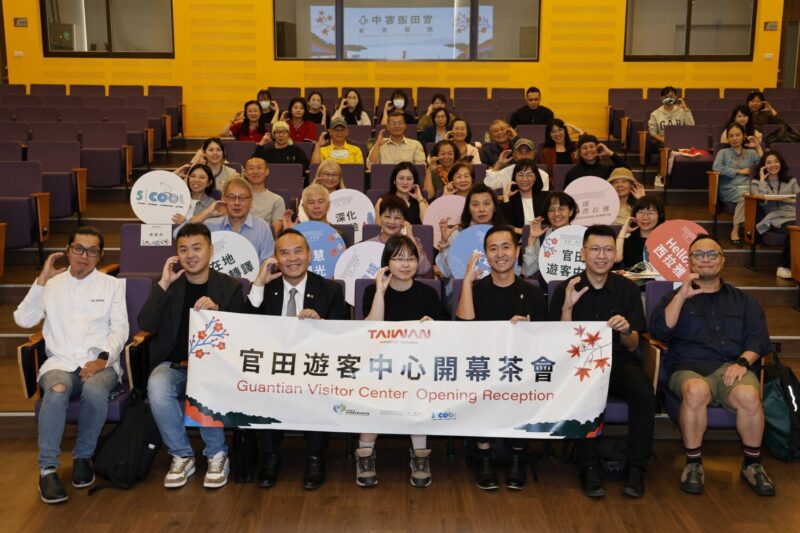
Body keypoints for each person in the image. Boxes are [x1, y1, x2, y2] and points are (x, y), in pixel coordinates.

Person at [649, 234, 775, 496]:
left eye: (712, 254)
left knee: (748, 394)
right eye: (699, 255)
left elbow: (759, 339)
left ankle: (752, 464)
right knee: (696, 390)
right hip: (688, 368)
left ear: (723, 260)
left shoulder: (744, 301)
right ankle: (693, 464)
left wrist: (743, 362)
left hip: (733, 367)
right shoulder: (674, 298)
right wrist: (681, 297)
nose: (705, 259)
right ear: (690, 261)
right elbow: (660, 331)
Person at [14, 227, 128, 504]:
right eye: (78, 249)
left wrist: (102, 358)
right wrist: (41, 281)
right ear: (68, 250)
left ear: (100, 256)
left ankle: (83, 457)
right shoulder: (51, 285)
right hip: (60, 361)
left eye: (92, 251)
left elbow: (120, 329)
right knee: (56, 389)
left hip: (100, 362)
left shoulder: (112, 285)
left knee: (95, 390)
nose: (84, 256)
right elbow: (23, 320)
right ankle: (47, 469)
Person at [549, 224, 654, 499]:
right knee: (585, 389)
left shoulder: (627, 289)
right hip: (579, 365)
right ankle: (588, 468)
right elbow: (559, 344)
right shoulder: (567, 288)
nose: (602, 255)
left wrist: (626, 330)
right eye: (595, 249)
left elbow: (633, 345)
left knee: (643, 391)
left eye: (608, 249)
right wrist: (568, 307)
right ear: (583, 253)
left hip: (618, 360)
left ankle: (636, 467)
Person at [139, 223, 244, 490]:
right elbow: (146, 323)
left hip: (214, 365)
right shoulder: (170, 285)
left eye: (197, 248)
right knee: (157, 384)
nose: (190, 255)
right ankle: (182, 455)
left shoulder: (230, 286)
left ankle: (217, 453)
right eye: (183, 249)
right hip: (173, 364)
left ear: (211, 250)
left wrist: (217, 313)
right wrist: (163, 284)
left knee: (202, 377)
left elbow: (242, 334)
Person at [246, 229, 349, 491]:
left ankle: (315, 457)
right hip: (273, 364)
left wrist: (320, 323)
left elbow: (343, 335)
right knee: (259, 382)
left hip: (314, 363)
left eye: (298, 251)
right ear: (275, 258)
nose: (292, 259)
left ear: (309, 255)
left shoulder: (330, 289)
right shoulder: (266, 288)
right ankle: (270, 456)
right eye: (284, 253)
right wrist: (258, 282)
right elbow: (244, 325)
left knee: (317, 385)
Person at [455, 225, 548, 490]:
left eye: (506, 247)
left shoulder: (532, 292)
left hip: (520, 366)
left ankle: (518, 458)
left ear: (517, 251)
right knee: (477, 379)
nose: (500, 254)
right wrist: (467, 283)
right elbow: (464, 331)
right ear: (486, 254)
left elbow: (544, 342)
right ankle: (484, 457)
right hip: (482, 364)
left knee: (525, 382)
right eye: (493, 249)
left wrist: (527, 331)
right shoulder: (477, 289)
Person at [357, 235, 443, 488]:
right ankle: (365, 455)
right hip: (379, 364)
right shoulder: (372, 290)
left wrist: (433, 326)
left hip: (417, 366)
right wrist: (380, 292)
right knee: (372, 391)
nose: (405, 264)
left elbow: (443, 337)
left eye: (411, 258)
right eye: (398, 258)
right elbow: (371, 331)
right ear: (387, 263)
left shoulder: (428, 293)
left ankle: (420, 456)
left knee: (418, 390)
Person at [435, 184, 506, 306]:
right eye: (475, 204)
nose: (481, 209)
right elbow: (446, 272)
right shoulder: (456, 233)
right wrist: (445, 244)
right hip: (461, 292)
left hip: (497, 290)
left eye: (486, 203)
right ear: (468, 208)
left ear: (494, 207)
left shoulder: (505, 235)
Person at [188, 177, 275, 263]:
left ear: (251, 201)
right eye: (232, 197)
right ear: (223, 199)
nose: (237, 203)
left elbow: (268, 263)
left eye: (242, 198)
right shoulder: (209, 226)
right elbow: (181, 234)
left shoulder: (262, 227)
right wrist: (207, 213)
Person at [712, 123, 763, 246]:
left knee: (754, 195)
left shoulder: (751, 153)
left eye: (737, 135)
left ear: (743, 136)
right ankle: (735, 230)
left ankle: (758, 231)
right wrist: (739, 171)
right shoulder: (723, 152)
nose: (734, 138)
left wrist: (757, 147)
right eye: (731, 136)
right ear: (727, 138)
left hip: (748, 187)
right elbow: (716, 167)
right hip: (729, 188)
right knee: (746, 196)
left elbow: (764, 166)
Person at [752, 149, 799, 279]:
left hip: (794, 215)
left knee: (796, 228)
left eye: (776, 161)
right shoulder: (756, 183)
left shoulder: (791, 181)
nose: (773, 165)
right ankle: (783, 267)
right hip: (774, 219)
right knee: (793, 231)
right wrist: (762, 180)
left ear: (781, 163)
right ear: (763, 166)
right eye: (769, 162)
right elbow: (759, 197)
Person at [367, 195, 431, 277]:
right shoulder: (369, 245)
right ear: (380, 218)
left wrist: (411, 238)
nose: (392, 222)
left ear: (404, 221)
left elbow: (423, 269)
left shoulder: (412, 242)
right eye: (387, 216)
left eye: (397, 218)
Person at [520, 191, 578, 279]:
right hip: (548, 286)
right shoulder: (542, 237)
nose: (556, 214)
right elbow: (528, 271)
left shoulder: (581, 235)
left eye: (561, 209)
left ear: (571, 211)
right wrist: (532, 239)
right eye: (551, 210)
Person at [648, 86, 694, 187]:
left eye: (672, 96)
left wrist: (686, 109)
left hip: (679, 142)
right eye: (666, 96)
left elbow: (691, 125)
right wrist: (664, 140)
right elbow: (653, 133)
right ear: (661, 98)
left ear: (676, 97)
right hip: (662, 141)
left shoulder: (681, 111)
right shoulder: (655, 114)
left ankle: (681, 178)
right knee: (665, 148)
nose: (669, 98)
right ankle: (661, 176)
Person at [614, 195, 665, 269]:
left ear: (660, 215)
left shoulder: (666, 241)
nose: (645, 217)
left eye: (650, 213)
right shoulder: (628, 240)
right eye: (641, 212)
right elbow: (616, 259)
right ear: (634, 215)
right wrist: (623, 231)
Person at [500, 160, 548, 235]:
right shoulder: (510, 200)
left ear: (535, 177)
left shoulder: (546, 198)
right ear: (514, 178)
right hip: (517, 241)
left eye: (529, 175)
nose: (525, 179)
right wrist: (506, 197)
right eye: (520, 175)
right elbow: (506, 227)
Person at [485, 138, 550, 192]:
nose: (524, 156)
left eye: (527, 153)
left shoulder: (543, 175)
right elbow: (490, 186)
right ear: (514, 155)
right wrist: (498, 164)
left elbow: (543, 198)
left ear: (534, 155)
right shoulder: (507, 172)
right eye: (520, 153)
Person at [564, 134, 628, 188]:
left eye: (592, 146)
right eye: (584, 148)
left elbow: (626, 169)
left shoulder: (607, 170)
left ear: (597, 149)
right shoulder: (572, 174)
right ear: (579, 153)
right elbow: (566, 195)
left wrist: (610, 153)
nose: (589, 150)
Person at [241, 156, 286, 232]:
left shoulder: (277, 200)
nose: (255, 172)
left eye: (259, 168)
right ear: (245, 173)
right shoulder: (238, 198)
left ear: (267, 172)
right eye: (251, 168)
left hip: (266, 236)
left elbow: (276, 229)